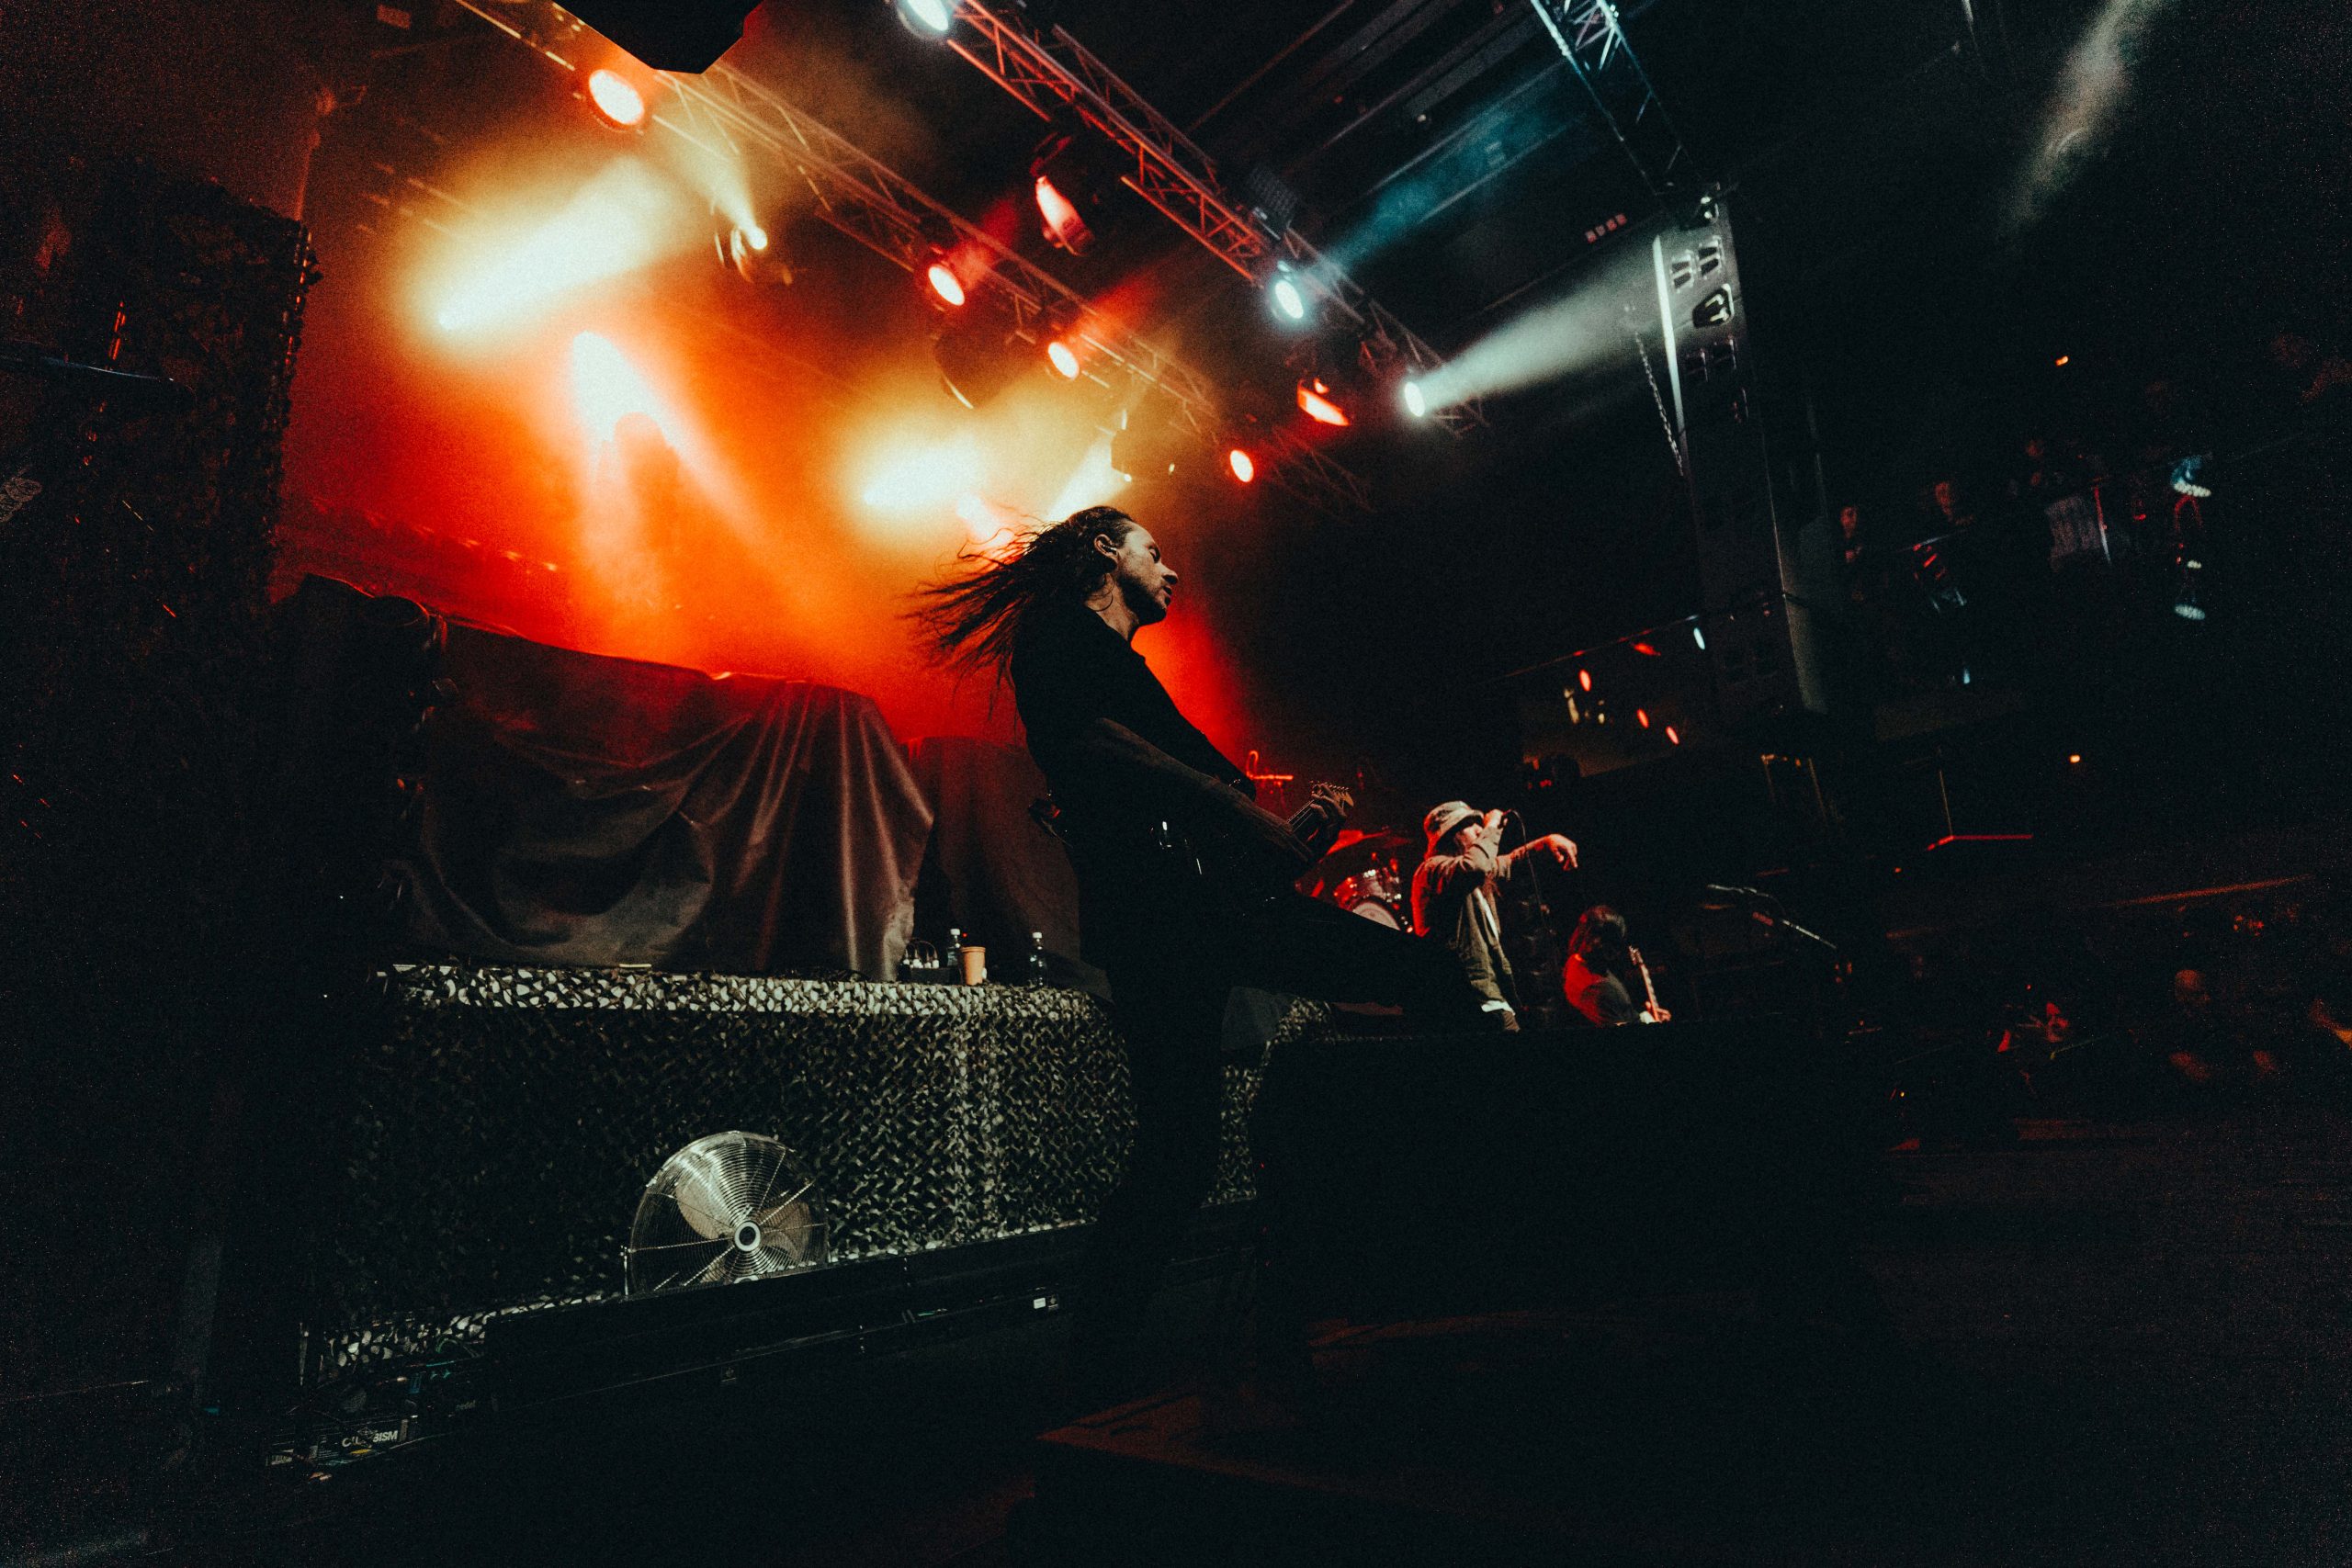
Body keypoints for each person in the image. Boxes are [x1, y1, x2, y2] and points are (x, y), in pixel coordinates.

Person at [912, 505, 1494, 1398]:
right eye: (1153, 551)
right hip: (1168, 916)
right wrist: (1234, 810)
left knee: (1177, 1156)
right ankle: (1474, 1203)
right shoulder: (1059, 637)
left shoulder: (1126, 667)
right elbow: (1090, 742)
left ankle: (1096, 1363)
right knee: (1421, 980)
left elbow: (1225, 835)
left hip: (1196, 911)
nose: (1172, 570)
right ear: (1103, 551)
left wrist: (1296, 832)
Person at [1408, 802, 1577, 1031]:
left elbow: (1511, 861)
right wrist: (1494, 824)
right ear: (1452, 835)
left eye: (1481, 825)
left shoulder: (1466, 873)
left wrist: (1546, 842)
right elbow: (1475, 866)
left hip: (1486, 1000)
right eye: (1471, 826)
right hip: (1465, 1000)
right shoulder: (1432, 870)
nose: (1480, 830)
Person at [1560, 905, 1669, 1026]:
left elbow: (1620, 1015)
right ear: (1609, 946)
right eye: (1618, 944)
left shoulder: (1575, 961)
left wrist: (1645, 1016)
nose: (1619, 952)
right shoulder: (1601, 990)